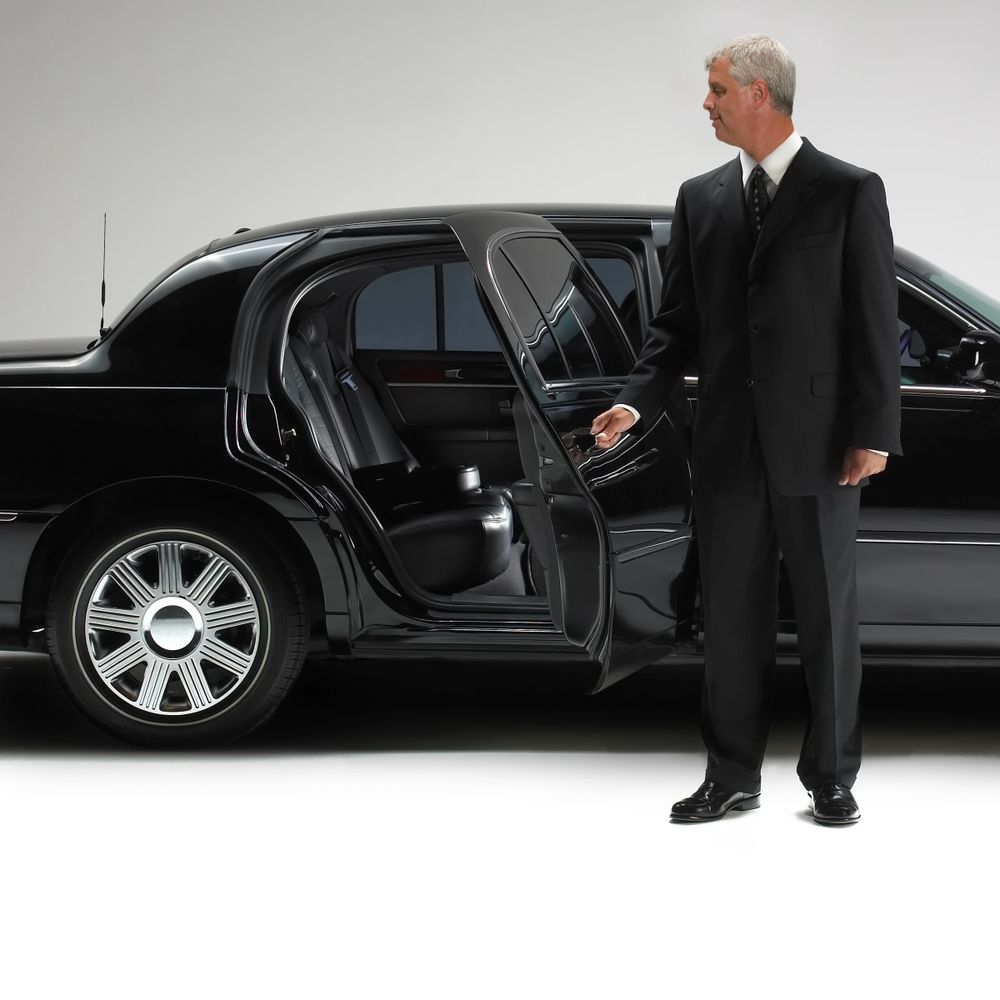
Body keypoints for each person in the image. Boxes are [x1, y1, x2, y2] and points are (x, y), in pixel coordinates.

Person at [590, 34, 900, 825]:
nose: (708, 104)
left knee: (830, 616)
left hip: (824, 445)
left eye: (718, 90)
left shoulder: (847, 190)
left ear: (760, 94)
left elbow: (873, 323)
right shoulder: (701, 198)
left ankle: (831, 777)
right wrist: (635, 400)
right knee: (730, 617)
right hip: (728, 444)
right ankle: (731, 775)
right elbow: (675, 325)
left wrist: (872, 431)